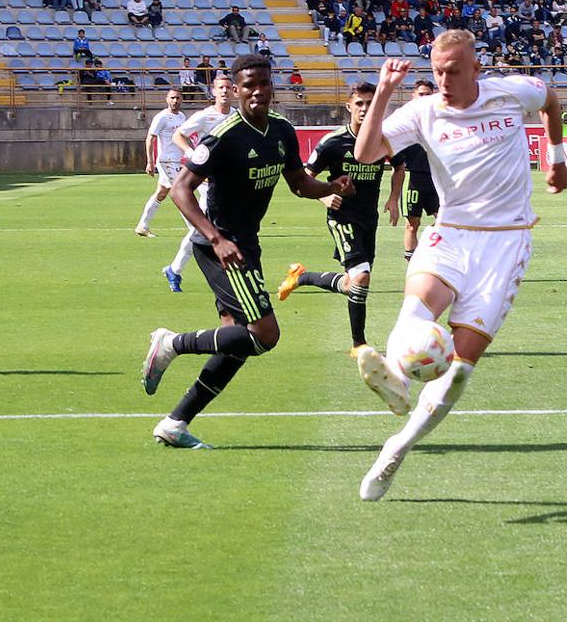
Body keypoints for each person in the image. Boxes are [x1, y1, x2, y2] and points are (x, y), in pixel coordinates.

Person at [349, 31, 567, 500]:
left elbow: (552, 100)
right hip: (450, 233)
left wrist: (556, 157)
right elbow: (365, 154)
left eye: (453, 70)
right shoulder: (423, 112)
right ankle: (394, 376)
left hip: (506, 245)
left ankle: (397, 448)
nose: (444, 80)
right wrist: (384, 92)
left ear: (475, 68)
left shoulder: (510, 92)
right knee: (416, 309)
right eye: (437, 71)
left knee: (460, 369)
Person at [139, 54, 355, 448]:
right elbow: (182, 190)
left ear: (273, 87)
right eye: (248, 85)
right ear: (236, 91)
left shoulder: (282, 132)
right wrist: (216, 239)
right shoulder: (224, 135)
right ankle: (170, 343)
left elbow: (299, 184)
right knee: (265, 335)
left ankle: (175, 424)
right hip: (219, 244)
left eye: (264, 83)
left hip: (246, 243)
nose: (257, 91)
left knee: (235, 341)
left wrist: (331, 187)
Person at [277, 82, 399, 351]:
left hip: (369, 219)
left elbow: (399, 167)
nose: (365, 109)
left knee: (351, 283)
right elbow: (304, 180)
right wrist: (322, 196)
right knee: (361, 277)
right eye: (360, 104)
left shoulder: (383, 138)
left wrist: (393, 198)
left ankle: (301, 276)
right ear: (349, 107)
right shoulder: (332, 142)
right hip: (342, 216)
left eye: (370, 103)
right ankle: (359, 344)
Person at [161, 74, 234, 291]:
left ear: (234, 91)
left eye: (228, 88)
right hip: (207, 181)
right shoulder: (205, 116)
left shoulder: (237, 116)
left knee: (221, 227)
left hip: (228, 181)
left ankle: (175, 269)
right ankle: (175, 269)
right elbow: (178, 135)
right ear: (213, 91)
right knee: (201, 229)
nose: (224, 91)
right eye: (220, 87)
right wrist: (193, 154)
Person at [387, 79, 439, 261]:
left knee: (445, 222)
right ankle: (413, 264)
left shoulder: (441, 120)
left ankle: (432, 251)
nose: (425, 98)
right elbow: (397, 164)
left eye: (428, 95)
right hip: (414, 181)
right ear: (413, 96)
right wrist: (393, 198)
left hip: (437, 181)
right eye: (421, 94)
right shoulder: (404, 121)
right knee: (412, 225)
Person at [134, 89, 187, 238]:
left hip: (177, 160)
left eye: (177, 98)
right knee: (181, 192)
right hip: (167, 161)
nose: (175, 101)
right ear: (167, 99)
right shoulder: (162, 117)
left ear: (181, 99)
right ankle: (195, 229)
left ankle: (142, 226)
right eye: (172, 98)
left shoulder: (182, 116)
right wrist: (150, 162)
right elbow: (150, 139)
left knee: (161, 193)